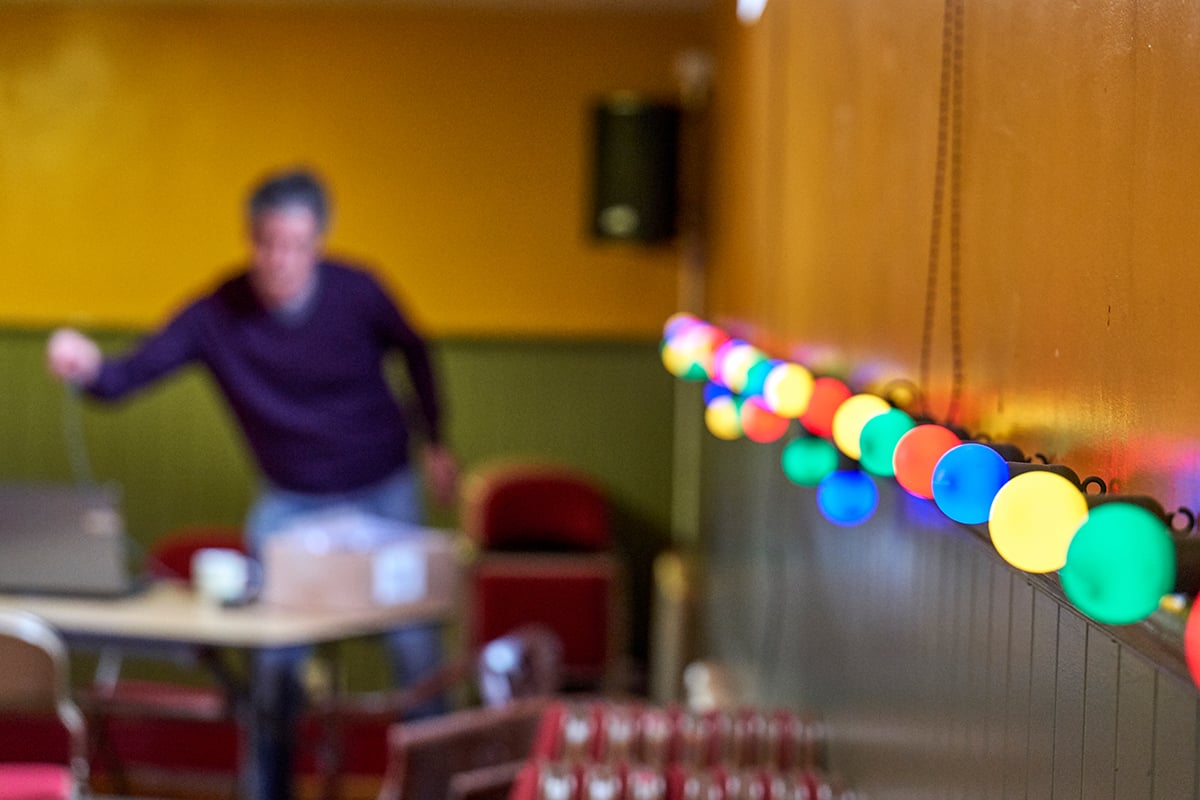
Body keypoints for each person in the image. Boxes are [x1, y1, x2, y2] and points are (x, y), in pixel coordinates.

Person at [46, 167, 457, 800]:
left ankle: (438, 790)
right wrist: (88, 368)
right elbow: (130, 375)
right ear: (251, 239)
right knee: (273, 668)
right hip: (290, 503)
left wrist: (435, 441)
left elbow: (417, 350)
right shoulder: (219, 312)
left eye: (296, 245)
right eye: (268, 244)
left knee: (417, 654)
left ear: (319, 241)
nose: (280, 260)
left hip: (383, 492)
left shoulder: (360, 290)